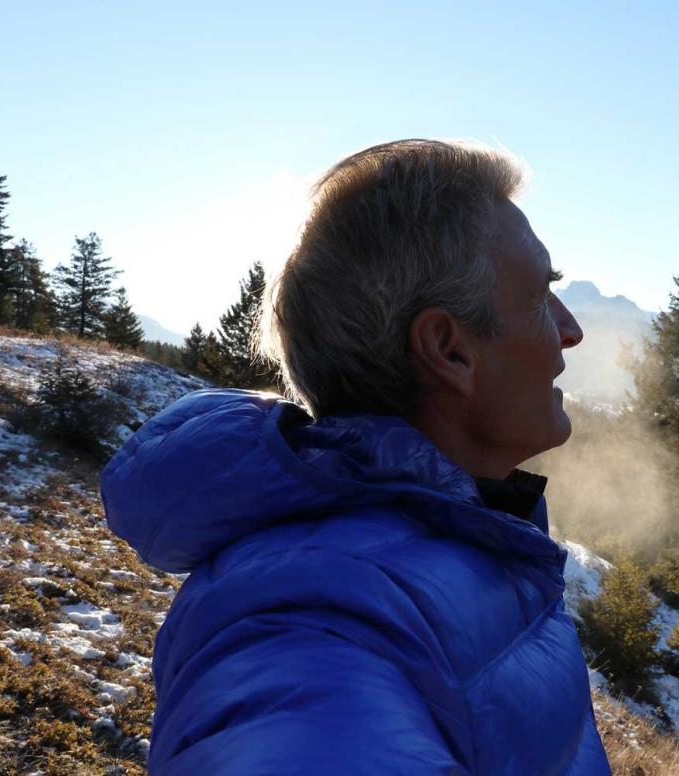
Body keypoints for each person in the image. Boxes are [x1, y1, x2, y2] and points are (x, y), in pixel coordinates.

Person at [101, 139, 610, 774]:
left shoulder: (466, 543)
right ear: (449, 351)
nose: (571, 330)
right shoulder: (317, 617)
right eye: (540, 296)